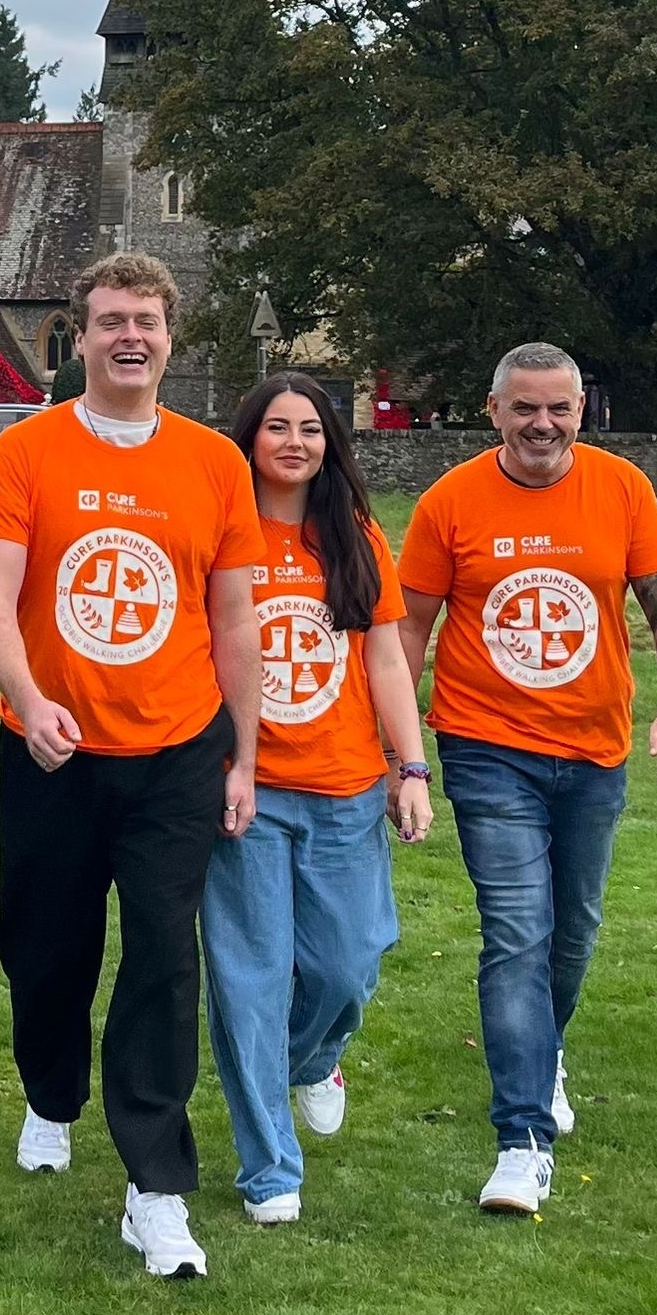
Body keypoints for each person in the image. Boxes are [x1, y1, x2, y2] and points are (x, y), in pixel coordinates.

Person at [0, 250, 265, 1281]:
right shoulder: (28, 452)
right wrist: (29, 694)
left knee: (162, 960)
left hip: (177, 750)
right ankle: (50, 1095)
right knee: (42, 947)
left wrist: (244, 755)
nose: (127, 336)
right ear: (79, 337)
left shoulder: (214, 464)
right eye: (108, 321)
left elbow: (234, 618)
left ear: (168, 336)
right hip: (51, 746)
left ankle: (155, 1186)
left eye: (144, 319)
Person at [398, 341, 657, 1216]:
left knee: (573, 932)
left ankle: (545, 1049)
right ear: (492, 410)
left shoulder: (620, 488)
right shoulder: (450, 502)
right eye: (525, 408)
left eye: (559, 408)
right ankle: (522, 1140)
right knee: (517, 935)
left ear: (583, 410)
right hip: (485, 747)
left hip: (595, 748)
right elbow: (408, 629)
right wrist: (401, 749)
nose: (543, 425)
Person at [201, 372, 433, 1226]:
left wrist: (410, 770)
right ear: (249, 438)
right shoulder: (221, 532)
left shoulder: (357, 536)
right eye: (276, 427)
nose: (294, 442)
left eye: (311, 428)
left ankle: (311, 1061)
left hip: (343, 788)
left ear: (331, 442)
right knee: (249, 982)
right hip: (249, 791)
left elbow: (383, 662)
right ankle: (269, 1167)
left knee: (348, 965)